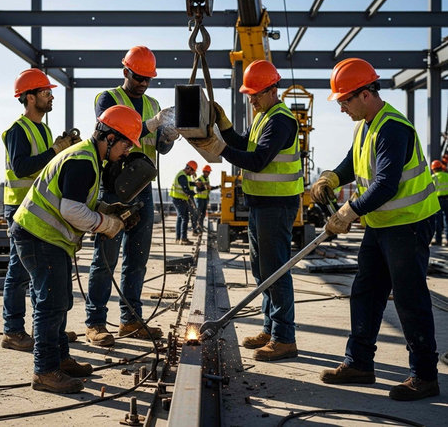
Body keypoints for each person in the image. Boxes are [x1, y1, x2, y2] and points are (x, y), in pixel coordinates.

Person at [310, 58, 440, 401]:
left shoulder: (393, 127)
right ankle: (359, 364)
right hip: (382, 225)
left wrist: (348, 211)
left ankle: (425, 376)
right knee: (365, 291)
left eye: (345, 101)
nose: (342, 109)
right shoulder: (366, 123)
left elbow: (385, 184)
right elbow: (355, 160)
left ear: (366, 94)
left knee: (410, 299)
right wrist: (332, 176)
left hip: (408, 224)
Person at [11, 105, 141, 393]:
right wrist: (108, 224)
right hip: (38, 236)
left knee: (61, 300)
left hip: (46, 238)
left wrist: (107, 209)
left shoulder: (90, 159)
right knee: (51, 304)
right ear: (108, 138)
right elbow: (70, 209)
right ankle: (44, 371)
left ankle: (60, 358)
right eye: (125, 144)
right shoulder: (83, 160)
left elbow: (78, 200)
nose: (126, 152)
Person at [189, 60, 303, 361]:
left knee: (275, 272)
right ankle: (270, 327)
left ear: (272, 89)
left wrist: (219, 148)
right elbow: (244, 145)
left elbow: (257, 160)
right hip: (260, 204)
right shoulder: (264, 117)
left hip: (276, 205)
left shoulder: (280, 121)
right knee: (263, 271)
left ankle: (284, 338)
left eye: (255, 94)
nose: (250, 99)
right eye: (249, 94)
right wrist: (224, 127)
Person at [85, 46, 178, 347]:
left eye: (148, 79)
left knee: (137, 258)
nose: (143, 83)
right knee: (106, 258)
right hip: (114, 187)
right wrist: (153, 125)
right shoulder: (108, 98)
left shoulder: (152, 102)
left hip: (142, 188)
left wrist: (168, 137)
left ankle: (130, 319)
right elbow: (111, 126)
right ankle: (95, 322)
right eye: (138, 77)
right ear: (126, 72)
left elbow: (158, 148)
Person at [1, 69, 79, 352]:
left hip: (38, 207)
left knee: (41, 272)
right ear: (30, 97)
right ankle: (12, 330)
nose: (51, 96)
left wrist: (62, 150)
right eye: (46, 92)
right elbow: (22, 167)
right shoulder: (17, 131)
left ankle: (47, 329)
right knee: (19, 271)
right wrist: (55, 150)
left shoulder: (44, 130)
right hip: (19, 208)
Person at [170, 160, 200, 245]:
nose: (192, 173)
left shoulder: (183, 175)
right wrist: (195, 193)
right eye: (193, 171)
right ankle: (183, 239)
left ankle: (178, 238)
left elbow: (187, 183)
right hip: (179, 199)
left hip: (178, 199)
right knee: (185, 218)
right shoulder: (182, 176)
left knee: (180, 218)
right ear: (189, 168)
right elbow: (186, 189)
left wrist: (195, 184)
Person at [192, 164, 220, 232]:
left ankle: (200, 227)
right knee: (198, 214)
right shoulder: (199, 179)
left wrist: (217, 186)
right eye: (208, 172)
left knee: (203, 214)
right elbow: (197, 189)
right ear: (204, 171)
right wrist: (205, 187)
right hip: (199, 199)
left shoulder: (207, 179)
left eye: (209, 172)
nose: (209, 173)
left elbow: (209, 188)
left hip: (204, 199)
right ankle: (195, 229)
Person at [430, 160, 448, 246]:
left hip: (437, 201)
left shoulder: (433, 177)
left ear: (433, 169)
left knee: (438, 222)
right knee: (447, 221)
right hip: (447, 200)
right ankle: (447, 240)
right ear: (441, 167)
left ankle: (438, 240)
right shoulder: (447, 176)